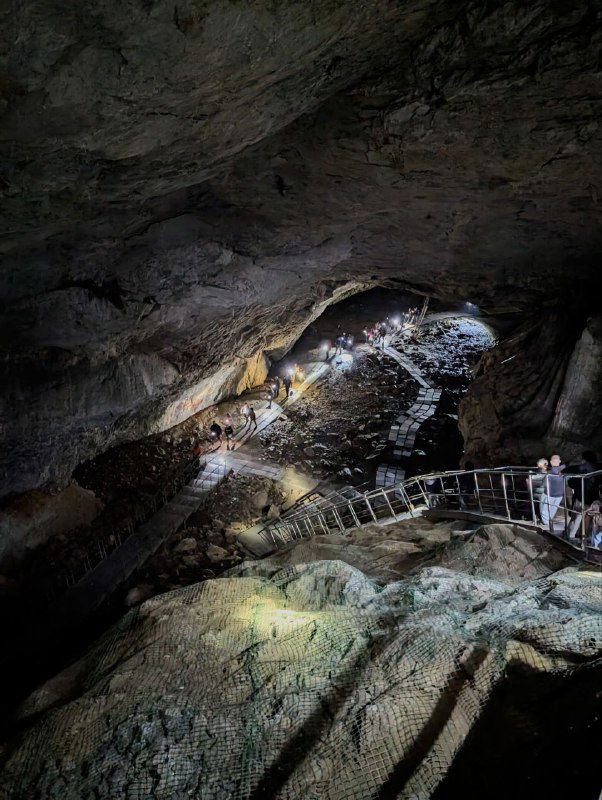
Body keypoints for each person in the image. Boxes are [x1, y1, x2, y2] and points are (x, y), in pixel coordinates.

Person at [539, 454, 566, 531]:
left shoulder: (552, 471)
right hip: (559, 495)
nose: (555, 461)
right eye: (554, 460)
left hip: (549, 494)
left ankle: (546, 524)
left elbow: (555, 470)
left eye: (555, 460)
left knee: (544, 509)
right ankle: (548, 522)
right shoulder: (562, 470)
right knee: (552, 509)